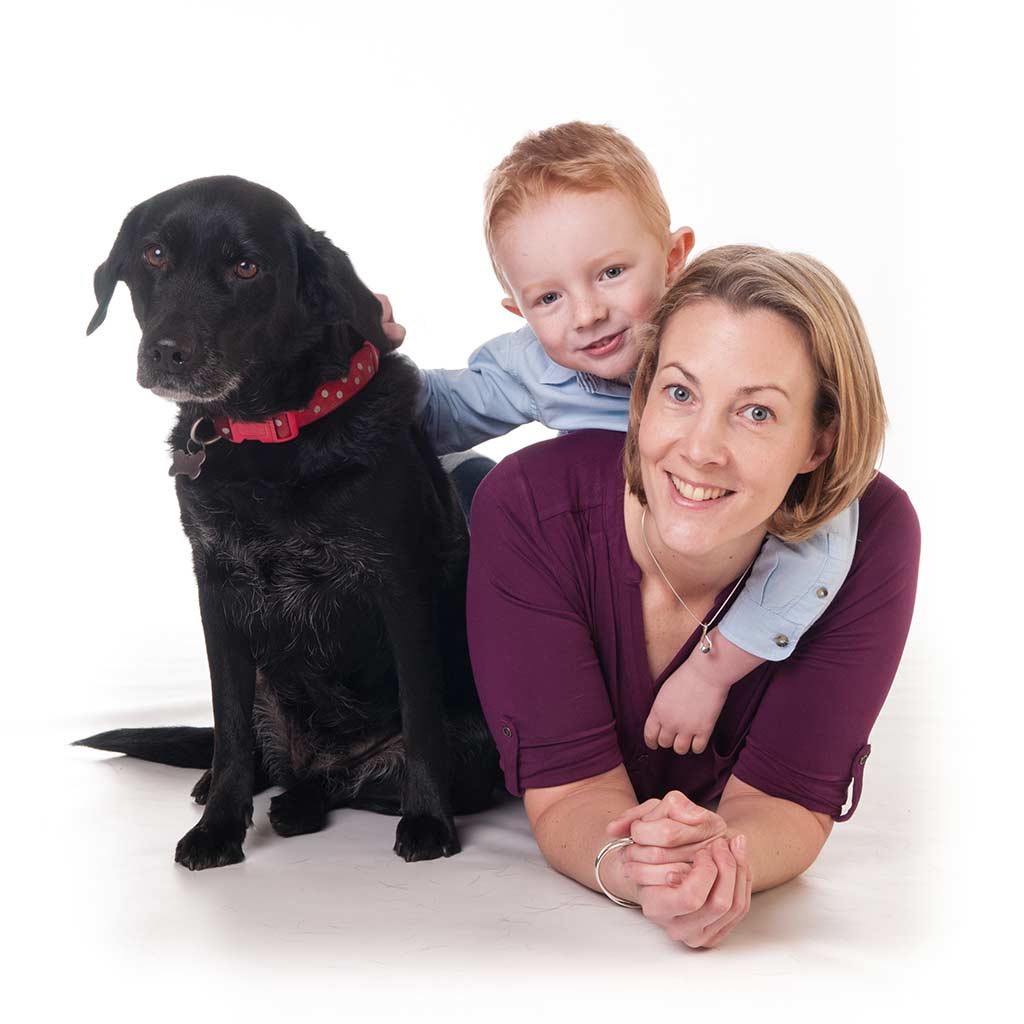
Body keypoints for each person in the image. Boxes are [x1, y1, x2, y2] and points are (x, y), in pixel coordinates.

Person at [464, 245, 920, 949]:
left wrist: (718, 861)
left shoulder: (874, 537)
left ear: (819, 442)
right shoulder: (528, 507)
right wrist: (636, 870)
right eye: (680, 393)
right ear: (643, 396)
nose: (702, 448)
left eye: (758, 413)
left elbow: (784, 804)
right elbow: (572, 795)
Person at [385, 121, 861, 760]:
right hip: (586, 572)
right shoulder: (540, 364)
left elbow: (821, 529)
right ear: (518, 312)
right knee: (461, 480)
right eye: (548, 296)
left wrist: (712, 670)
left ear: (672, 257)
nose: (586, 315)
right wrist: (368, 363)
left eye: (610, 272)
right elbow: (439, 413)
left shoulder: (727, 354)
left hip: (708, 589)